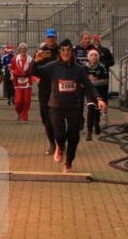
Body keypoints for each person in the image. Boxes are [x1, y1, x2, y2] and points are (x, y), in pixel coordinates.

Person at [35, 40, 107, 173]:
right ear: (59, 52)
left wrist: (99, 99)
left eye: (68, 50)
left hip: (74, 107)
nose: (66, 53)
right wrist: (37, 60)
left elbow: (89, 86)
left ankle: (68, 162)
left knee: (74, 137)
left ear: (72, 52)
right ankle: (60, 147)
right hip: (56, 107)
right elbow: (34, 71)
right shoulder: (53, 66)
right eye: (63, 50)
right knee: (60, 134)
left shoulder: (78, 69)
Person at [34, 29, 59, 154]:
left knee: (56, 118)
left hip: (58, 88)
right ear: (46, 38)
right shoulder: (41, 51)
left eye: (53, 37)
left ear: (55, 38)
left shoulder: (61, 50)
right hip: (44, 88)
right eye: (49, 37)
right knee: (45, 117)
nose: (51, 39)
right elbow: (34, 68)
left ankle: (56, 144)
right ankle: (52, 142)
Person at [84, 49, 110, 141]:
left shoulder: (102, 67)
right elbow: (83, 81)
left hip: (100, 92)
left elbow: (106, 81)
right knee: (90, 109)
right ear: (88, 57)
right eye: (91, 55)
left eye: (95, 55)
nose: (93, 57)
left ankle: (97, 124)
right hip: (90, 92)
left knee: (97, 111)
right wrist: (88, 82)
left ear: (98, 57)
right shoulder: (85, 68)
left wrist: (95, 82)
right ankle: (89, 131)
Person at [9, 43, 33, 122]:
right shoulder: (14, 59)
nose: (23, 50)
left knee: (27, 101)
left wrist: (36, 78)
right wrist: (12, 75)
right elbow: (11, 68)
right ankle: (19, 112)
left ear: (26, 50)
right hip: (17, 82)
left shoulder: (30, 60)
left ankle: (24, 117)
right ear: (19, 50)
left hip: (27, 82)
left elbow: (33, 71)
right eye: (22, 49)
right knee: (18, 101)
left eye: (25, 49)